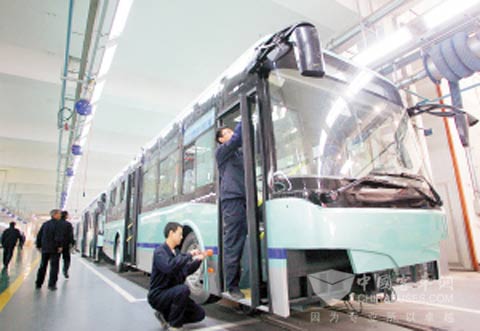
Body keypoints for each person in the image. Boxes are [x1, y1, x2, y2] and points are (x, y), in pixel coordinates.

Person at [147, 222, 206, 331]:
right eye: (180, 234)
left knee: (199, 314)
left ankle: (165, 316)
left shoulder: (177, 253)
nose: (182, 237)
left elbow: (185, 271)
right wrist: (189, 255)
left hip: (173, 293)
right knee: (183, 290)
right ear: (171, 233)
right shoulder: (160, 252)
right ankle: (175, 326)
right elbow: (169, 267)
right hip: (158, 295)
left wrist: (198, 260)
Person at [215, 122, 247, 299]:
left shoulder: (241, 153)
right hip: (232, 200)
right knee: (233, 243)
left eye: (231, 131)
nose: (231, 133)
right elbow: (237, 139)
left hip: (246, 198)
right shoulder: (221, 152)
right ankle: (232, 286)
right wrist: (245, 117)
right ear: (221, 140)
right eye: (227, 132)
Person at [35, 209, 64, 290]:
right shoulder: (59, 224)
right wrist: (60, 246)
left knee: (43, 266)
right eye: (59, 214)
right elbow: (59, 236)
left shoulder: (45, 224)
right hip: (54, 249)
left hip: (45, 249)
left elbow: (39, 235)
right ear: (54, 215)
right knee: (54, 267)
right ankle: (51, 285)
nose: (60, 215)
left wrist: (38, 245)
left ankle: (38, 283)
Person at [59, 211, 74, 278]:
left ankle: (54, 273)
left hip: (56, 245)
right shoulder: (68, 224)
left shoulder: (56, 223)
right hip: (66, 245)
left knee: (55, 259)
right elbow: (71, 235)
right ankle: (65, 270)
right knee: (66, 259)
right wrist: (72, 243)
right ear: (66, 216)